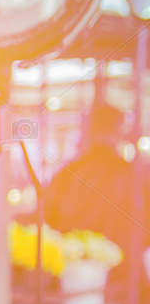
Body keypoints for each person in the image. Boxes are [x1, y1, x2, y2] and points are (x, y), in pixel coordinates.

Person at [45, 104, 137, 245]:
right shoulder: (130, 175)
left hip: (73, 257)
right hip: (122, 260)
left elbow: (49, 216)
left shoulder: (68, 173)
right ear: (118, 130)